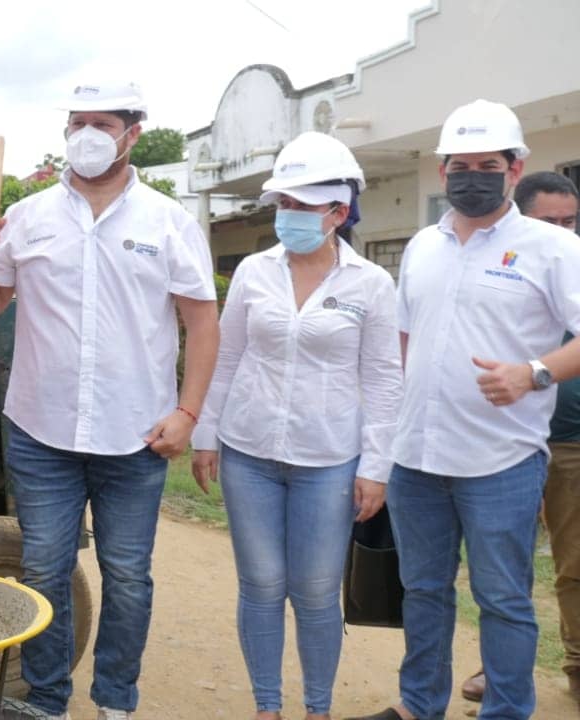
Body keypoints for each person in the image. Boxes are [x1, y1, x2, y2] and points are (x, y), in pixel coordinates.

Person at [0, 82, 220, 720]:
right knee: (46, 572)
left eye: (101, 122)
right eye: (77, 122)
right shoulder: (26, 217)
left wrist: (188, 413)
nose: (86, 134)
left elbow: (203, 323)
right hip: (41, 431)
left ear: (132, 133)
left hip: (137, 436)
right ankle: (49, 701)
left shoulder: (169, 221)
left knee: (128, 575)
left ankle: (115, 701)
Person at [348, 100, 580, 720]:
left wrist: (534, 373)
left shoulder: (551, 247)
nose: (471, 175)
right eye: (460, 165)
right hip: (418, 457)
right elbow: (402, 343)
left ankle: (506, 711)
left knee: (503, 597)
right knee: (423, 591)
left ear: (515, 168)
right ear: (442, 167)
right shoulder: (423, 245)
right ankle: (420, 705)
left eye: (487, 164)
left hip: (500, 460)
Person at [189, 132, 402, 720]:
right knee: (260, 586)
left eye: (300, 205)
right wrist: (206, 433)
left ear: (337, 211)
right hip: (248, 451)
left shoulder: (370, 284)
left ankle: (317, 709)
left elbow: (385, 380)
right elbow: (227, 357)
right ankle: (267, 707)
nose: (287, 215)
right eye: (281, 203)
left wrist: (377, 466)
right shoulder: (254, 273)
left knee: (313, 592)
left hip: (329, 457)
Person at [459, 170, 580, 706]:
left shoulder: (571, 266)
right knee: (503, 570)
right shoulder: (496, 266)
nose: (562, 230)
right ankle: (499, 669)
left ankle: (576, 666)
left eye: (570, 220)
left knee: (573, 564)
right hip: (502, 442)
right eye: (549, 220)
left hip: (571, 443)